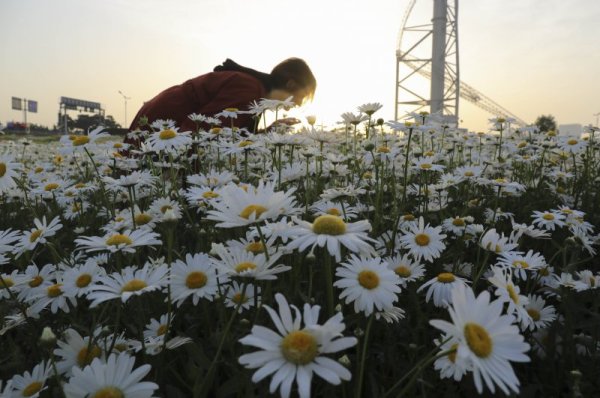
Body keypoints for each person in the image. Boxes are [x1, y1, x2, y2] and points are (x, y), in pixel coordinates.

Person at [127, 58, 316, 137]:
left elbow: (227, 136)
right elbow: (204, 132)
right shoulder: (248, 89)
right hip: (158, 128)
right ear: (290, 85)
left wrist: (267, 133)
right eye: (301, 97)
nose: (298, 104)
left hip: (164, 122)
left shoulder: (254, 89)